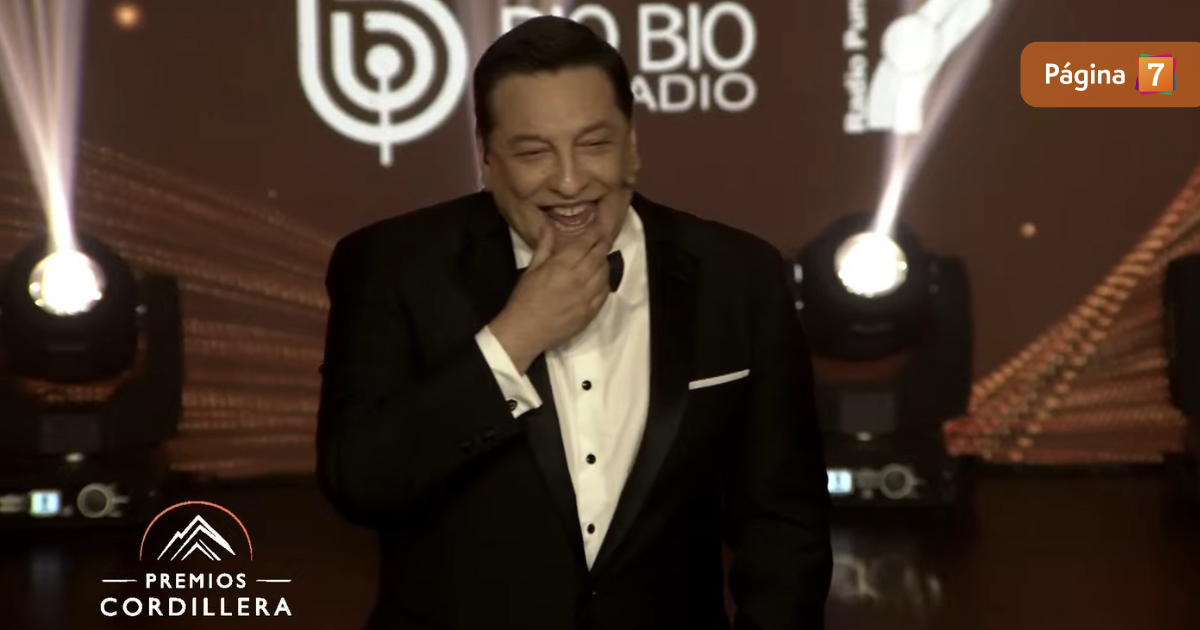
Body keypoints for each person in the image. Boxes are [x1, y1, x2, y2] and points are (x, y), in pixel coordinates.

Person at [316, 15, 832, 630]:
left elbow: (784, 523)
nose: (568, 180)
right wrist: (512, 339)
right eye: (533, 152)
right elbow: (361, 481)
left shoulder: (739, 275)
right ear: (487, 157)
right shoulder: (392, 266)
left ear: (631, 145)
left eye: (593, 144)